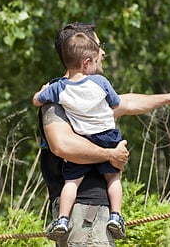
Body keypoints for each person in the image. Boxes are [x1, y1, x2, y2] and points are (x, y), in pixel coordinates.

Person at [39, 22, 170, 247]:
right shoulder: (56, 94)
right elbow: (62, 146)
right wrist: (110, 154)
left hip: (93, 215)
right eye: (97, 45)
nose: (102, 52)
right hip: (83, 213)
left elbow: (127, 102)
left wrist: (169, 97)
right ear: (84, 57)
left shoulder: (90, 94)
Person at [34, 32, 126, 239]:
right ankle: (116, 215)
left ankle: (62, 220)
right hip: (107, 137)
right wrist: (111, 153)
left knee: (71, 183)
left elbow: (36, 100)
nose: (102, 55)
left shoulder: (58, 88)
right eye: (96, 57)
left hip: (82, 139)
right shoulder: (100, 82)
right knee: (113, 178)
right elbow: (117, 103)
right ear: (86, 63)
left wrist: (42, 92)